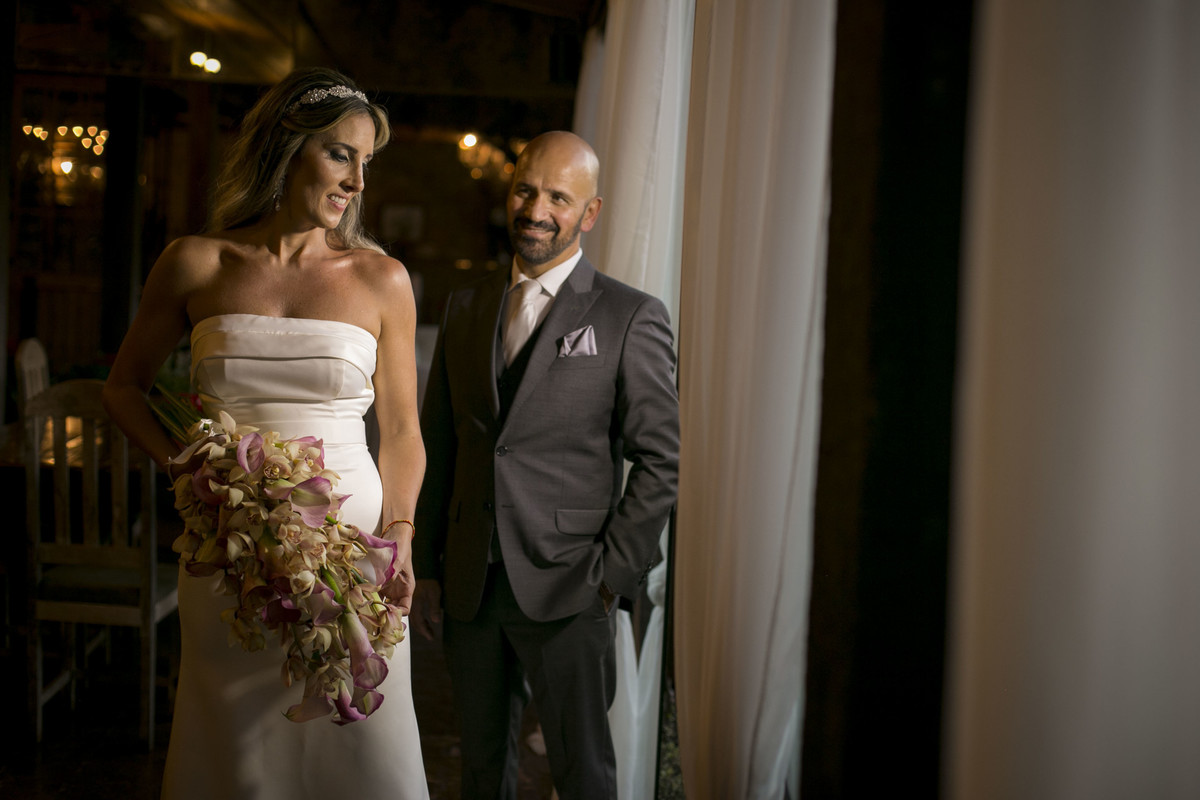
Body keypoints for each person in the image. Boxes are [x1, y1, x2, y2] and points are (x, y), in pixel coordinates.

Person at [102, 67, 429, 798]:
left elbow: (403, 428)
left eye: (366, 163)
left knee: (363, 746)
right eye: (342, 154)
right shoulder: (196, 261)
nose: (357, 183)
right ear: (288, 145)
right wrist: (191, 472)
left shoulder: (383, 280)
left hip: (351, 552)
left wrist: (401, 530)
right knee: (235, 746)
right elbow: (122, 389)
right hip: (229, 549)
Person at [412, 131, 680, 799]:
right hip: (472, 583)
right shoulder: (466, 304)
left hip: (571, 588)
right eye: (527, 190)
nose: (537, 209)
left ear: (589, 214)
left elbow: (661, 459)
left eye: (559, 197)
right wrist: (426, 565)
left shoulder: (630, 316)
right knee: (479, 771)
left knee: (583, 773)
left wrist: (612, 574)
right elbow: (440, 439)